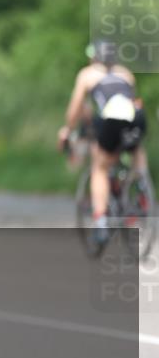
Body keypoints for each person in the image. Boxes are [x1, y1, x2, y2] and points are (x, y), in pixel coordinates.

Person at [57, 40, 148, 243]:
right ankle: (142, 185)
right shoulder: (126, 73)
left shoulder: (88, 74)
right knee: (136, 148)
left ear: (94, 57)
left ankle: (100, 222)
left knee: (100, 168)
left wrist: (67, 129)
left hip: (110, 121)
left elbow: (76, 109)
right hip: (137, 117)